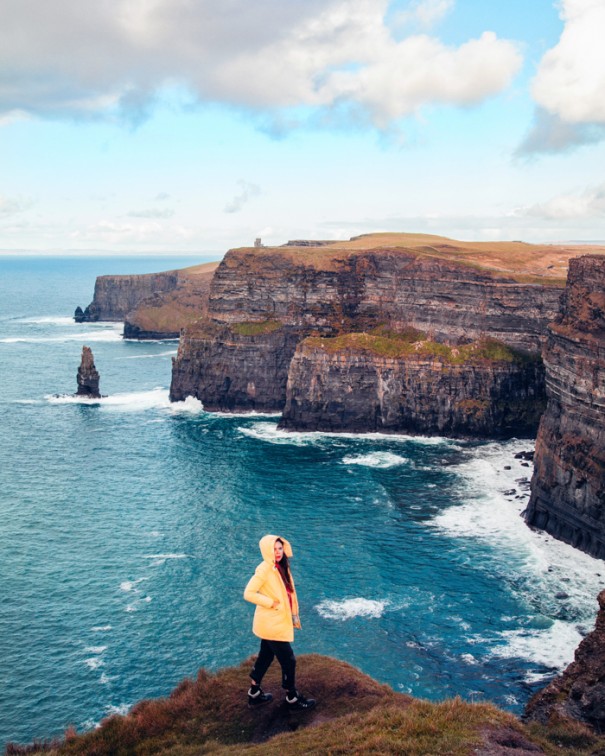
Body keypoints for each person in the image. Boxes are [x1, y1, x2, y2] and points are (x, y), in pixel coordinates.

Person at [243, 534, 316, 710]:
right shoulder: (265, 569)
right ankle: (292, 697)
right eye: (274, 549)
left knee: (266, 657)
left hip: (273, 622)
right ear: (267, 550)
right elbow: (248, 593)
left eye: (280, 548)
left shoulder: (281, 566)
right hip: (271, 623)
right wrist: (271, 603)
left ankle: (254, 694)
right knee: (289, 660)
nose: (277, 552)